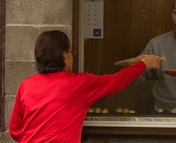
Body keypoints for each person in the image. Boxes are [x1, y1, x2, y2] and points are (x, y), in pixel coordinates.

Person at [9, 30, 161, 143]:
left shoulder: (26, 85)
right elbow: (117, 81)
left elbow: (15, 130)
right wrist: (143, 64)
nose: (72, 57)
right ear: (63, 56)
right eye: (71, 52)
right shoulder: (79, 84)